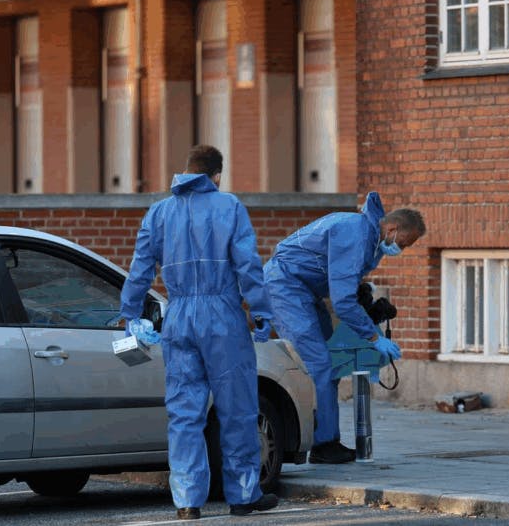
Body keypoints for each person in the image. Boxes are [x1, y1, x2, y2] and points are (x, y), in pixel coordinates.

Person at [119, 145, 278, 521]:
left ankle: (187, 501)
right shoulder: (229, 206)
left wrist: (129, 313)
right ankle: (242, 496)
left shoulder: (159, 212)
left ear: (185, 170)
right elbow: (248, 265)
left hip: (179, 316)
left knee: (184, 413)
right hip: (222, 315)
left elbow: (140, 268)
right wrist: (261, 311)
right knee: (237, 408)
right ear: (216, 176)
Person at [263, 192, 426, 464]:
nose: (402, 249)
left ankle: (320, 433)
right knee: (321, 363)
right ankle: (324, 443)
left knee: (333, 361)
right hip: (285, 288)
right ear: (393, 229)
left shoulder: (368, 237)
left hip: (302, 290)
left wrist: (368, 303)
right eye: (404, 243)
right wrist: (374, 337)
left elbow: (345, 285)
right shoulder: (356, 234)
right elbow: (342, 302)